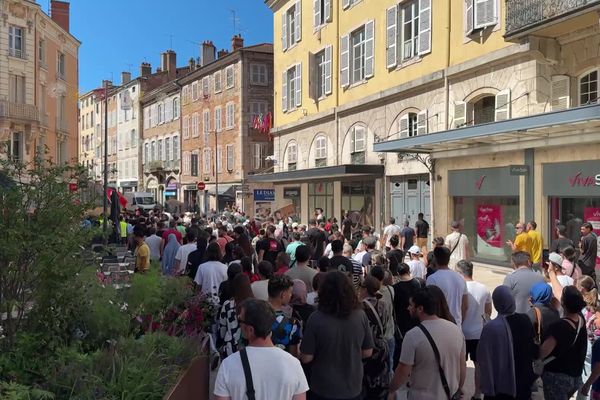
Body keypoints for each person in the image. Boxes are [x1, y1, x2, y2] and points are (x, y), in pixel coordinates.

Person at [213, 298, 309, 400]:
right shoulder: (293, 364)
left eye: (240, 320)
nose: (239, 324)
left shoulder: (228, 365)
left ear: (250, 330)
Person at [299, 271, 374, 400]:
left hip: (323, 387)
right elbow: (367, 352)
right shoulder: (360, 315)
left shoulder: (316, 318)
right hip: (353, 386)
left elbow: (306, 357)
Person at [389, 287, 466, 400]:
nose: (408, 308)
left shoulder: (413, 336)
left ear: (420, 308)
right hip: (449, 395)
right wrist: (459, 388)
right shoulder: (456, 330)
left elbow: (403, 370)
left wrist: (391, 390)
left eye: (411, 305)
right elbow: (462, 365)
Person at [477, 285, 538, 400]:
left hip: (499, 387)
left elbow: (484, 359)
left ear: (496, 303)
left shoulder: (492, 327)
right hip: (522, 384)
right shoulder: (525, 320)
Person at [539, 286, 588, 400]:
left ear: (563, 303)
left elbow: (543, 352)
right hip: (575, 377)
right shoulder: (581, 320)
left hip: (557, 379)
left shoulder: (560, 326)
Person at [456, 260, 492, 400]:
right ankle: (478, 393)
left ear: (460, 273)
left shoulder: (460, 288)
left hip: (462, 332)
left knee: (461, 363)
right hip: (479, 333)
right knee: (479, 365)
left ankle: (460, 390)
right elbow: (488, 311)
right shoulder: (484, 288)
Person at [359, 275, 391, 399]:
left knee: (366, 379)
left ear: (365, 289)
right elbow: (386, 321)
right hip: (382, 345)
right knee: (380, 377)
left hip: (367, 346)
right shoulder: (383, 303)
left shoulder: (360, 306)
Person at [426, 246, 468, 326]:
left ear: (435, 259)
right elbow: (465, 306)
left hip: (439, 327)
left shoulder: (432, 279)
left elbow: (430, 305)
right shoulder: (460, 278)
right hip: (456, 326)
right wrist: (459, 322)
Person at [217, 273, 254, 358]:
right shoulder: (254, 305)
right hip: (249, 346)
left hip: (230, 346)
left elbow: (222, 327)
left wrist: (220, 343)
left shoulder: (228, 305)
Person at [268, 275, 302, 357]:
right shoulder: (292, 324)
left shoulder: (255, 317)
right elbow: (294, 355)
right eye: (290, 292)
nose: (291, 295)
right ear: (282, 295)